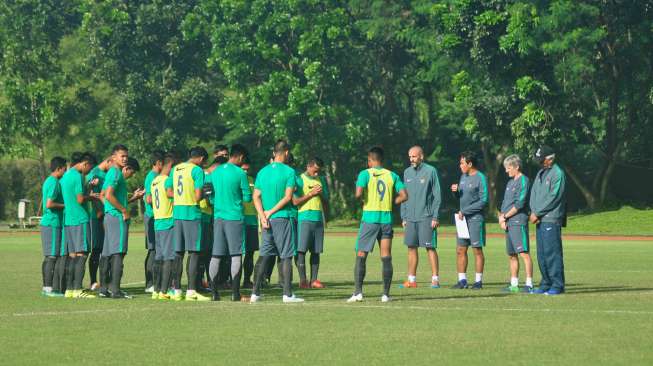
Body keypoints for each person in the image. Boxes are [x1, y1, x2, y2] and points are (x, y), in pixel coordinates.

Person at [347, 146, 407, 303]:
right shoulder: (392, 175)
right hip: (386, 220)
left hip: (369, 220)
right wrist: (393, 202)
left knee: (361, 255)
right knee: (386, 257)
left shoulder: (364, 174)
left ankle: (358, 293)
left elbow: (358, 194)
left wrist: (362, 199)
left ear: (370, 160)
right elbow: (404, 195)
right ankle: (386, 295)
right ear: (382, 159)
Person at [250, 140, 304, 303]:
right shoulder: (289, 171)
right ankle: (287, 294)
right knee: (286, 255)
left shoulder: (262, 171)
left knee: (264, 255)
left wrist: (263, 215)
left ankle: (255, 293)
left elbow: (256, 196)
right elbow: (288, 197)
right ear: (286, 153)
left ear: (274, 153)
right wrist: (272, 211)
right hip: (282, 218)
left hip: (267, 221)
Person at [208, 144, 252, 301]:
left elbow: (210, 196)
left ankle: (214, 293)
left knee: (216, 255)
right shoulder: (240, 173)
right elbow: (247, 197)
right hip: (234, 218)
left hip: (218, 218)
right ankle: (235, 293)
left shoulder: (215, 172)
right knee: (236, 255)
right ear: (240, 157)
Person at [167, 146, 210, 301]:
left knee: (178, 253)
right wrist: (206, 193)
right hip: (192, 214)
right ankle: (191, 290)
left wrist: (180, 197)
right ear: (201, 159)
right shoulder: (197, 170)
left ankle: (176, 290)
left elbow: (168, 192)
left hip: (177, 214)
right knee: (194, 252)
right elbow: (198, 196)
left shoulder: (176, 168)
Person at [101, 149, 145, 299]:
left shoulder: (112, 173)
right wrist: (124, 210)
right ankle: (115, 290)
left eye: (126, 156)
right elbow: (108, 195)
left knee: (107, 254)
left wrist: (131, 199)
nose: (125, 158)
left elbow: (103, 195)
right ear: (114, 157)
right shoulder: (115, 173)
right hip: (116, 217)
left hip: (109, 216)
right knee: (119, 253)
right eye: (122, 156)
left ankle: (103, 289)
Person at [399, 146, 442, 289]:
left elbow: (437, 195)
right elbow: (403, 195)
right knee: (411, 247)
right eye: (410, 156)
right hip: (410, 218)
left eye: (414, 156)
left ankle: (435, 279)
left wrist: (435, 216)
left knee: (430, 248)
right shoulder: (407, 172)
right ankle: (411, 280)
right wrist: (404, 216)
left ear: (421, 156)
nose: (411, 159)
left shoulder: (431, 171)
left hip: (426, 217)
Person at [529, 145, 567, 295]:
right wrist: (533, 211)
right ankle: (546, 283)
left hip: (551, 218)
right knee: (542, 253)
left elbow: (554, 197)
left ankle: (557, 285)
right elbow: (533, 193)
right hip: (538, 219)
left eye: (542, 159)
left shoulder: (558, 174)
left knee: (552, 252)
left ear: (550, 158)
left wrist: (537, 212)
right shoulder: (540, 173)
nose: (540, 162)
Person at [60, 152, 97, 298]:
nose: (89, 171)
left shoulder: (65, 176)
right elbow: (80, 199)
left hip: (69, 220)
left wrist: (87, 186)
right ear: (85, 163)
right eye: (90, 167)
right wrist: (92, 196)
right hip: (80, 218)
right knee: (82, 254)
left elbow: (71, 196)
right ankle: (78, 289)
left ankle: (70, 289)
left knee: (73, 255)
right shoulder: (77, 176)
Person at [451, 151, 488, 290]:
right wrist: (455, 192)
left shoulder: (480, 178)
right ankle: (462, 281)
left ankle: (478, 281)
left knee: (477, 250)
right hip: (462, 220)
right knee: (461, 250)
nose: (460, 165)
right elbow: (461, 197)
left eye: (462, 163)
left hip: (475, 219)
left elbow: (484, 200)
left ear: (470, 164)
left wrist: (466, 211)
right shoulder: (463, 177)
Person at [498, 154, 534, 293]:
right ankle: (514, 284)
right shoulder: (509, 182)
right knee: (512, 254)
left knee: (524, 253)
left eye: (508, 168)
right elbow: (505, 203)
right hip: (508, 222)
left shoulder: (524, 180)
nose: (506, 171)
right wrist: (502, 218)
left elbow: (520, 203)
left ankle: (529, 284)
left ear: (516, 167)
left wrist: (505, 216)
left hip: (518, 221)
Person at [293, 157, 329, 289]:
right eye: (315, 171)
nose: (316, 174)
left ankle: (314, 280)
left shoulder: (321, 180)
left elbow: (326, 200)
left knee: (316, 251)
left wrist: (326, 218)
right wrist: (311, 194)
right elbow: (295, 202)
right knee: (301, 250)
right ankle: (303, 280)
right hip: (304, 218)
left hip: (318, 218)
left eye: (318, 171)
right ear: (308, 166)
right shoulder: (299, 179)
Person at [40, 156, 67, 297]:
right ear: (59, 169)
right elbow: (49, 204)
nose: (66, 171)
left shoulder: (49, 181)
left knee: (49, 256)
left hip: (49, 223)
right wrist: (65, 205)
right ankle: (48, 288)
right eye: (64, 169)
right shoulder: (54, 182)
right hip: (52, 222)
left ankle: (46, 287)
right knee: (52, 256)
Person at [150, 153, 175, 300]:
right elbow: (169, 193)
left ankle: (157, 290)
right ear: (170, 165)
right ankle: (165, 291)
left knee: (159, 257)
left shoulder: (155, 181)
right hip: (167, 220)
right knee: (168, 257)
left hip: (158, 221)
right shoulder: (166, 180)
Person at [86, 156, 111, 290]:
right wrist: (97, 211)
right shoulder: (94, 173)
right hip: (97, 217)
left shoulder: (105, 174)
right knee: (96, 249)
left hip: (106, 215)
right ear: (108, 161)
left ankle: (104, 280)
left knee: (105, 249)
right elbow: (92, 194)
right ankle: (93, 281)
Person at [143, 150, 164, 293]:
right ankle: (150, 283)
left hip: (157, 217)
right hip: (152, 217)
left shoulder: (156, 176)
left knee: (156, 249)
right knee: (153, 249)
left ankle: (156, 281)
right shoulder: (152, 177)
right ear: (158, 163)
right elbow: (149, 199)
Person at [240, 159, 258, 288]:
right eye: (243, 169)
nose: (245, 172)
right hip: (239, 219)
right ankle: (231, 280)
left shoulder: (253, 180)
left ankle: (247, 280)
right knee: (236, 253)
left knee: (250, 252)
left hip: (252, 220)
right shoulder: (235, 178)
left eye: (247, 169)